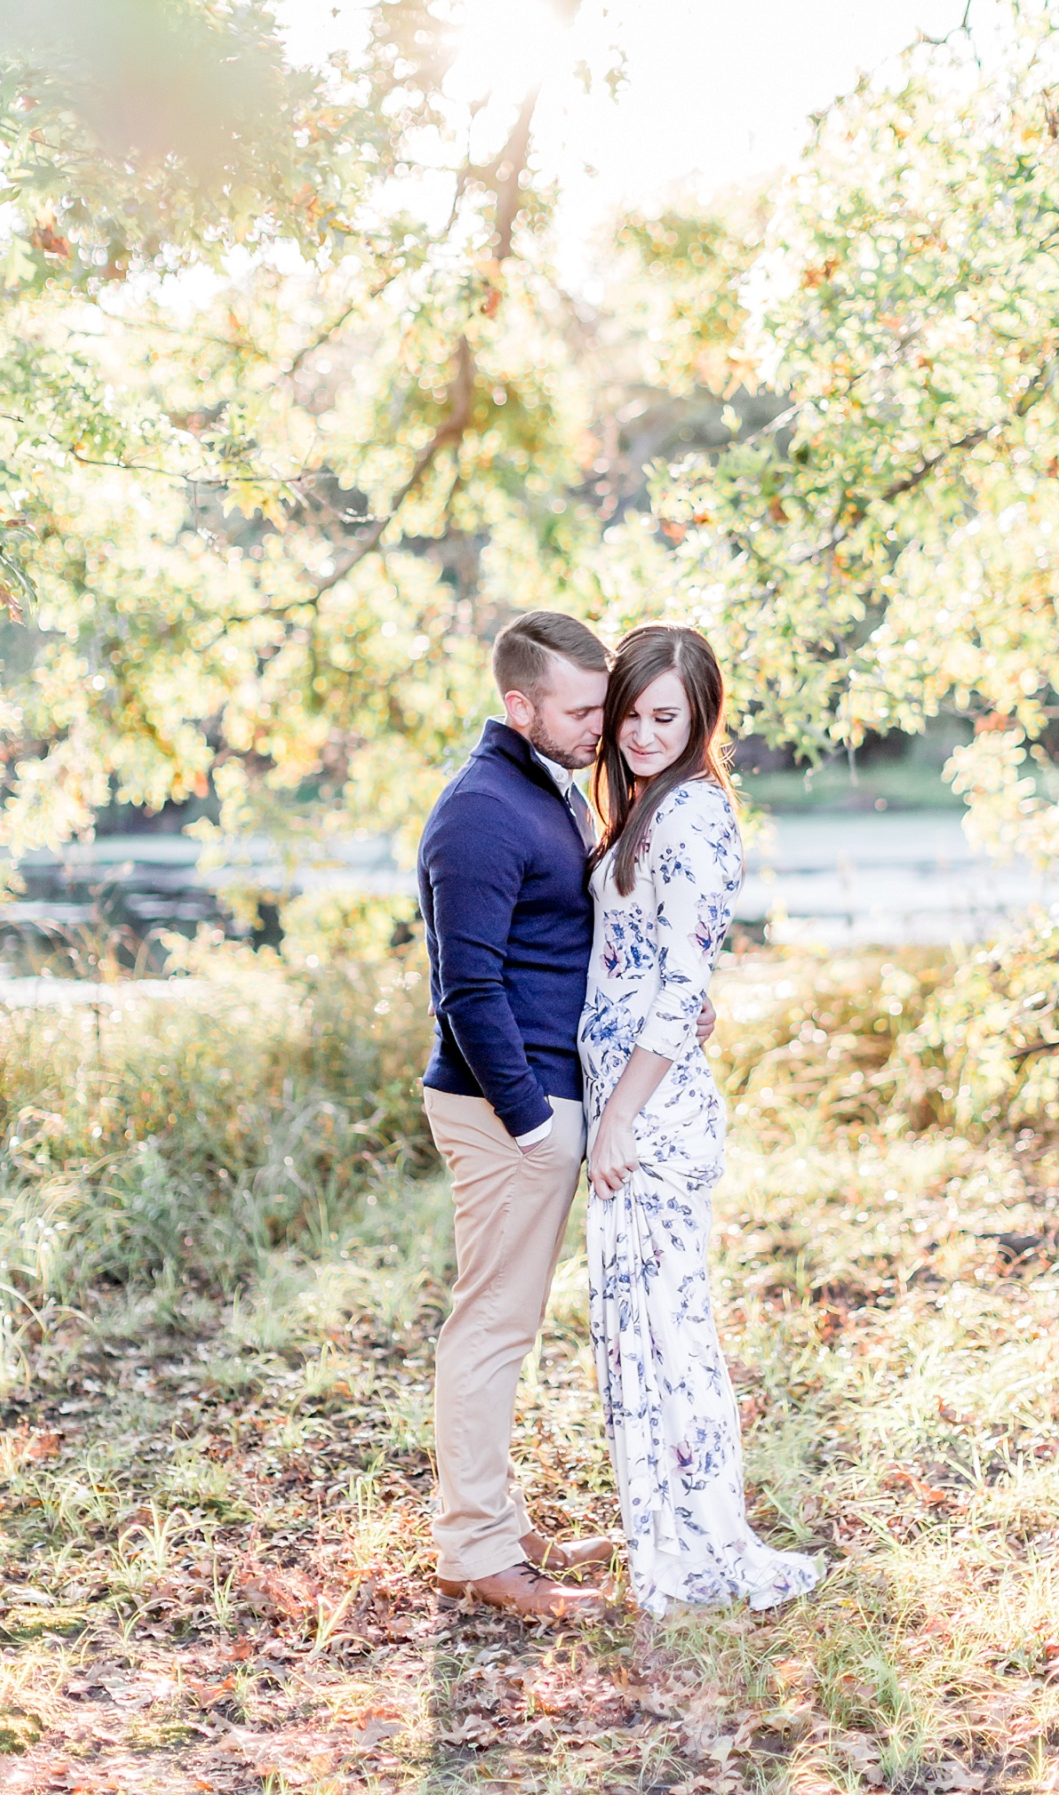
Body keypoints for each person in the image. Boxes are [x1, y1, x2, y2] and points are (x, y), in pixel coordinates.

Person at [417, 610, 715, 1621]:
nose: (604, 727)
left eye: (611, 706)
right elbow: (468, 988)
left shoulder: (538, 791)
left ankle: (499, 1520)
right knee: (491, 1327)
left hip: (550, 1096)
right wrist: (533, 1123)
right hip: (510, 1109)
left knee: (509, 1322)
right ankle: (476, 1551)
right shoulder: (481, 812)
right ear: (521, 707)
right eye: (584, 709)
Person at [581, 623, 824, 1618]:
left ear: (700, 718)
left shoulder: (692, 820)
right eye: (630, 713)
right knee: (640, 1341)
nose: (642, 731)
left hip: (651, 1122)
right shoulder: (646, 805)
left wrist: (619, 1119)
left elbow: (683, 991)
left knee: (672, 1340)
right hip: (628, 1106)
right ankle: (667, 1536)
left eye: (664, 716)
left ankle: (705, 1545)